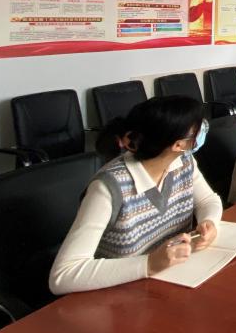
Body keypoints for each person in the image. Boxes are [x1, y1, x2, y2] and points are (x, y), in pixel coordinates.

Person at [49, 96, 222, 294]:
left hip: (171, 281)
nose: (203, 130)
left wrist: (209, 222)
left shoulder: (183, 162)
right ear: (178, 145)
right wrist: (149, 264)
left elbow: (208, 200)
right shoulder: (108, 188)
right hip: (121, 293)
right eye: (198, 129)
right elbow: (63, 275)